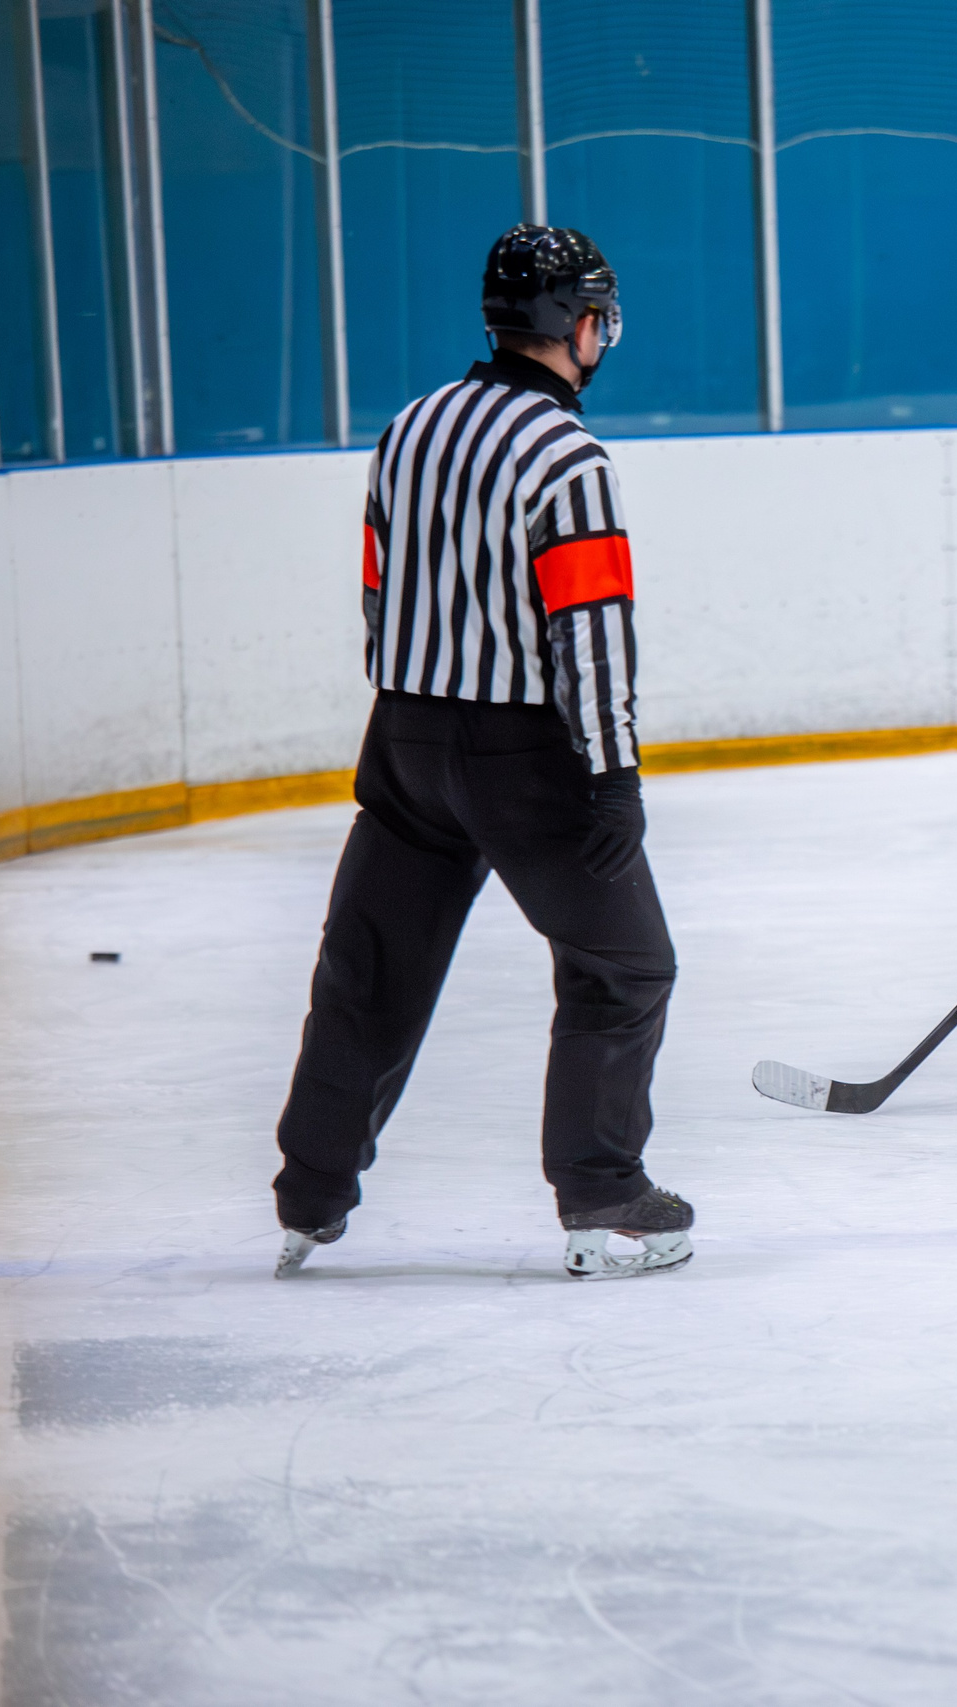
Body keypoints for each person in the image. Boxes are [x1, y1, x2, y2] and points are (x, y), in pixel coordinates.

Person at [270, 224, 693, 1280]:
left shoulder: (408, 428)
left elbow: (378, 587)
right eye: (598, 314)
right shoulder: (569, 459)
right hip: (525, 758)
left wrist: (413, 699)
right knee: (625, 965)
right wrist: (613, 773)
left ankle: (309, 1194)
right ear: (580, 325)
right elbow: (588, 630)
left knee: (370, 966)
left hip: (404, 737)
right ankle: (604, 1198)